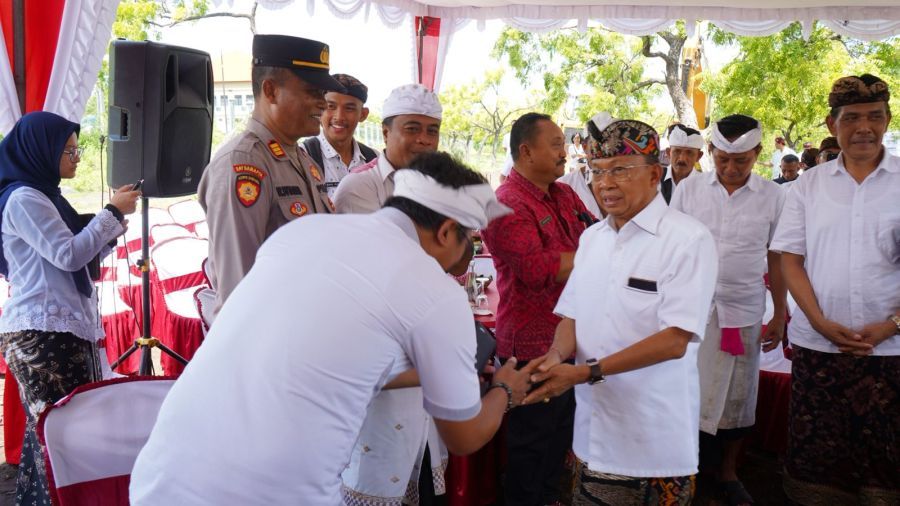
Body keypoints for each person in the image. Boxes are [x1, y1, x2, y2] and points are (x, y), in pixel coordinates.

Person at [130, 152, 535, 505]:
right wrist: (505, 391)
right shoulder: (434, 288)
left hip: (159, 477)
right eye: (470, 243)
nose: (468, 255)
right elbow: (463, 437)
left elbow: (326, 360)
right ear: (447, 231)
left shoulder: (301, 232)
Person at [522, 118, 718, 506]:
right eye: (596, 172)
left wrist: (585, 372)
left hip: (652, 439)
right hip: (592, 430)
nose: (605, 184)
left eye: (620, 171)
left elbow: (675, 340)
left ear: (653, 174)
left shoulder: (687, 239)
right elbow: (572, 316)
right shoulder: (593, 238)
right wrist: (555, 358)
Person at [772, 73, 900, 505]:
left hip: (891, 351)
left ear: (887, 120)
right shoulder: (808, 186)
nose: (864, 127)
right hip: (819, 347)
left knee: (887, 463)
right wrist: (820, 323)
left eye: (875, 117)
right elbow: (790, 259)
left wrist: (892, 325)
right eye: (852, 118)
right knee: (819, 467)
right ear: (832, 124)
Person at [0, 111, 140, 504]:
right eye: (69, 150)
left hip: (59, 329)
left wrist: (107, 231)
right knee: (60, 438)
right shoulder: (25, 198)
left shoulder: (46, 196)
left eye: (78, 150)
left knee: (54, 437)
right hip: (42, 332)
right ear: (41, 150)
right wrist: (110, 214)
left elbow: (75, 251)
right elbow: (67, 254)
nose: (76, 158)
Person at [670, 114, 787, 506]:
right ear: (711, 153)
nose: (731, 169)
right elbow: (674, 250)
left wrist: (781, 312)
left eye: (741, 161)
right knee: (689, 390)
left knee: (739, 396)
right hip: (693, 310)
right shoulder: (689, 191)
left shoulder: (774, 196)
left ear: (757, 154)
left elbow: (777, 258)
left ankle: (729, 472)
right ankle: (685, 469)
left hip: (744, 310)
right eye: (722, 159)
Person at [481, 112, 593, 505]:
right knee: (531, 448)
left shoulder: (563, 194)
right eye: (558, 144)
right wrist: (595, 257)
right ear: (526, 151)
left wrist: (593, 253)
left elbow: (599, 233)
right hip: (530, 347)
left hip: (570, 338)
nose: (567, 152)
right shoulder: (506, 203)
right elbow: (535, 268)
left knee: (558, 440)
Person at [198, 34, 343, 317]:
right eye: (312, 92)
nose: (323, 104)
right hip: (274, 340)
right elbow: (239, 291)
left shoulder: (299, 156)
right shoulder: (243, 164)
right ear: (271, 90)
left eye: (322, 94)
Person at [334, 84, 441, 213]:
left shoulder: (442, 184)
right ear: (386, 133)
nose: (424, 140)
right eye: (412, 129)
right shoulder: (359, 186)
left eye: (432, 131)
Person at [302, 73, 378, 199]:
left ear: (363, 115)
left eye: (349, 108)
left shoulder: (373, 159)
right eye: (330, 106)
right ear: (319, 108)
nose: (339, 117)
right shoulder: (303, 157)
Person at [558, 128, 602, 219]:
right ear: (585, 147)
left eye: (617, 143)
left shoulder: (633, 183)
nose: (607, 149)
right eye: (599, 142)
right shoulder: (564, 185)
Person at [661, 123, 704, 204]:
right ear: (668, 152)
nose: (682, 159)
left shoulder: (705, 186)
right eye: (677, 151)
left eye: (689, 153)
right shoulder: (654, 179)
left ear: (699, 156)